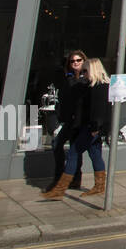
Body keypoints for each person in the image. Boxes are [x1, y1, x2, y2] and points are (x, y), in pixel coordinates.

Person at [41, 57, 111, 199]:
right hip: (91, 126)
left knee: (73, 153)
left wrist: (96, 127)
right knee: (95, 153)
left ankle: (60, 189)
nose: (83, 73)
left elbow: (100, 110)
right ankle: (99, 186)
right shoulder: (92, 85)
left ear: (93, 70)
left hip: (92, 128)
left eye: (86, 70)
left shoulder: (99, 86)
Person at [50, 50, 87, 190]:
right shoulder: (68, 78)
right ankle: (63, 176)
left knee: (75, 149)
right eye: (73, 61)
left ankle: (73, 178)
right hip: (68, 119)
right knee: (57, 145)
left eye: (78, 60)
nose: (75, 63)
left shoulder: (85, 79)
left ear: (84, 62)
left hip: (79, 120)